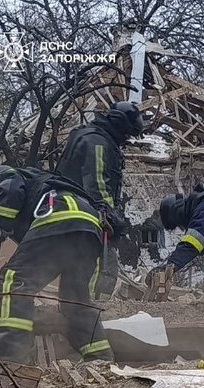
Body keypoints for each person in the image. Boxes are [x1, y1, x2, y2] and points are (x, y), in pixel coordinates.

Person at [0, 165, 114, 364]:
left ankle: (10, 356)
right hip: (90, 228)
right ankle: (100, 358)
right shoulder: (43, 182)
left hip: (58, 216)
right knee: (74, 299)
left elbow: (10, 189)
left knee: (14, 279)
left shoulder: (1, 176)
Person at [55, 101, 145, 296]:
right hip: (86, 214)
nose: (126, 138)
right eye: (127, 133)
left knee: (79, 266)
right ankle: (90, 307)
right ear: (120, 125)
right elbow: (97, 185)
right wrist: (111, 218)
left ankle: (74, 306)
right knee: (104, 264)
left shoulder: (90, 136)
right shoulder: (97, 143)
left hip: (73, 212)